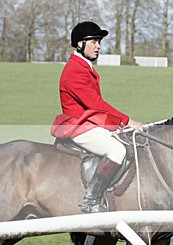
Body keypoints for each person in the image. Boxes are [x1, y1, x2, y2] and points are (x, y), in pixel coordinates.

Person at [51, 21, 144, 213]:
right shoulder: (75, 70)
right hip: (78, 126)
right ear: (79, 44)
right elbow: (96, 105)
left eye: (99, 41)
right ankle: (91, 200)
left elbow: (96, 108)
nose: (98, 46)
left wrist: (117, 126)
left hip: (89, 123)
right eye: (93, 41)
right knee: (117, 151)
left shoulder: (85, 67)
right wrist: (126, 121)